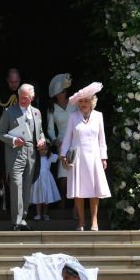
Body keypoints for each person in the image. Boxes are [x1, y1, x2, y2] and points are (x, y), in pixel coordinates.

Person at [60, 83, 110, 231]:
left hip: (94, 158)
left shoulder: (98, 116)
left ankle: (94, 221)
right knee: (79, 191)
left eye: (86, 101)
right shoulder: (73, 117)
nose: (83, 104)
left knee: (94, 190)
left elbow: (102, 140)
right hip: (78, 158)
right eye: (81, 101)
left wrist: (103, 158)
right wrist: (63, 155)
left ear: (92, 101)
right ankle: (81, 221)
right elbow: (67, 138)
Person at [0, 83, 46, 231]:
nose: (22, 100)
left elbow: (41, 131)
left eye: (26, 98)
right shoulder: (9, 111)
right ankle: (16, 221)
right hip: (15, 152)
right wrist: (13, 140)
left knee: (27, 187)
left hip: (31, 152)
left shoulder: (37, 112)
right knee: (16, 185)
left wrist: (42, 139)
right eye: (20, 97)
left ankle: (23, 218)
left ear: (32, 97)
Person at [0, 68, 22, 212]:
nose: (14, 85)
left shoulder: (23, 94)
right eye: (12, 82)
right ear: (7, 80)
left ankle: (15, 206)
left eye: (16, 82)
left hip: (19, 140)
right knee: (0, 171)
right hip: (2, 139)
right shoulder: (0, 95)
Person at [46, 73, 76, 206]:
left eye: (63, 92)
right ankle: (63, 203)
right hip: (62, 143)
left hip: (76, 141)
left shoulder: (74, 104)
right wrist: (55, 140)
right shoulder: (52, 108)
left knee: (76, 173)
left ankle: (76, 205)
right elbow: (50, 130)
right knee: (63, 175)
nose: (62, 95)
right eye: (59, 92)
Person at [30, 142, 61, 222]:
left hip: (47, 179)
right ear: (38, 150)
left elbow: (59, 157)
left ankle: (45, 214)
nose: (43, 151)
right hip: (38, 178)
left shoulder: (49, 157)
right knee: (38, 197)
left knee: (47, 197)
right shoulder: (35, 157)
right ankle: (38, 214)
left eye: (45, 149)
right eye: (41, 149)